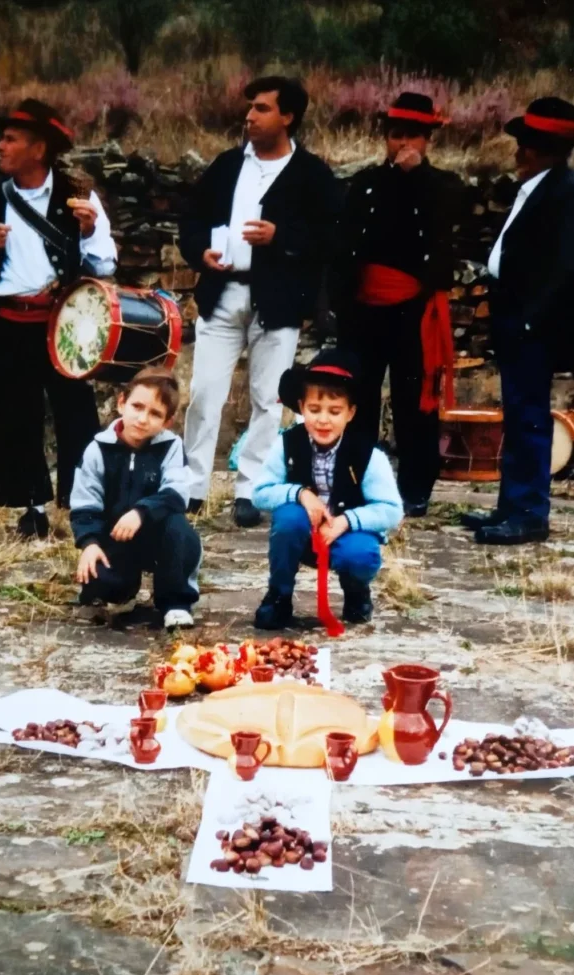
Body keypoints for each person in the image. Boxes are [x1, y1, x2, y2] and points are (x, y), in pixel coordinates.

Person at [179, 76, 340, 527]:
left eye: (262, 108)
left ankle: (251, 489)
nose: (250, 116)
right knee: (205, 392)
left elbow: (333, 236)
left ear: (288, 117)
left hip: (279, 299)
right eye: (250, 107)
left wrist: (280, 237)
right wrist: (199, 251)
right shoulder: (228, 165)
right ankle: (192, 486)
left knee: (269, 399)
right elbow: (190, 219)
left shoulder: (311, 174)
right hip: (223, 291)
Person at [0, 98, 117, 539]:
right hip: (8, 323)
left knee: (76, 415)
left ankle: (82, 503)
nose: (0, 146)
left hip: (62, 325)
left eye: (10, 139)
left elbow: (104, 266)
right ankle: (32, 507)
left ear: (38, 149)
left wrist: (88, 231)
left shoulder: (80, 197)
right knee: (16, 416)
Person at [333, 92, 462, 517]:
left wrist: (418, 177)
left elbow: (443, 225)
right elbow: (346, 244)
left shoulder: (442, 185)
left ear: (428, 140)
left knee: (414, 402)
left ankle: (415, 488)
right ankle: (359, 481)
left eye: (413, 135)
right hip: (364, 308)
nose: (402, 143)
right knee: (361, 398)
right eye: (395, 134)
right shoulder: (366, 182)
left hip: (413, 308)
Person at [461, 98, 574, 545]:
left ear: (543, 149)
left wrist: (531, 320)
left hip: (533, 325)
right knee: (517, 414)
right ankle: (511, 506)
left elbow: (564, 268)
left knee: (528, 418)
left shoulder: (563, 193)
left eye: (525, 144)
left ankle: (529, 512)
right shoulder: (536, 187)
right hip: (516, 319)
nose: (516, 153)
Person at [251, 350, 403, 630]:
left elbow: (392, 511)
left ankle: (356, 592)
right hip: (303, 534)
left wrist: (346, 521)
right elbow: (260, 493)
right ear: (301, 407)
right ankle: (279, 595)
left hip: (345, 537)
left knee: (361, 553)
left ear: (350, 413)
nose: (323, 420)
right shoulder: (287, 444)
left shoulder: (368, 455)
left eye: (334, 412)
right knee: (287, 519)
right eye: (314, 409)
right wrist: (300, 494)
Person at [70, 368, 202, 630]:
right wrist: (90, 542)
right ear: (122, 403)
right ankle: (120, 591)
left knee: (180, 529)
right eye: (137, 406)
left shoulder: (171, 446)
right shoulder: (98, 449)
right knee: (100, 583)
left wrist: (141, 512)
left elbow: (176, 493)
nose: (143, 418)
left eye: (155, 414)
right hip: (115, 537)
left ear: (167, 422)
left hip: (158, 534)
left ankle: (175, 601)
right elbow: (85, 502)